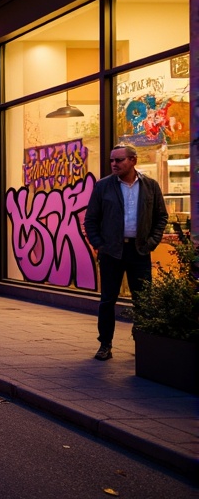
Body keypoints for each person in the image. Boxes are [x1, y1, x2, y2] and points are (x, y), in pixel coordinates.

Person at [84, 145, 168, 361]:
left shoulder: (150, 185)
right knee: (107, 300)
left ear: (133, 160)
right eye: (112, 160)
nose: (114, 164)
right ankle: (105, 344)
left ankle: (143, 343)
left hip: (139, 250)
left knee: (143, 301)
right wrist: (99, 244)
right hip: (112, 251)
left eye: (119, 160)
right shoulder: (103, 186)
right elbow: (91, 219)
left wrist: (152, 242)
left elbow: (161, 217)